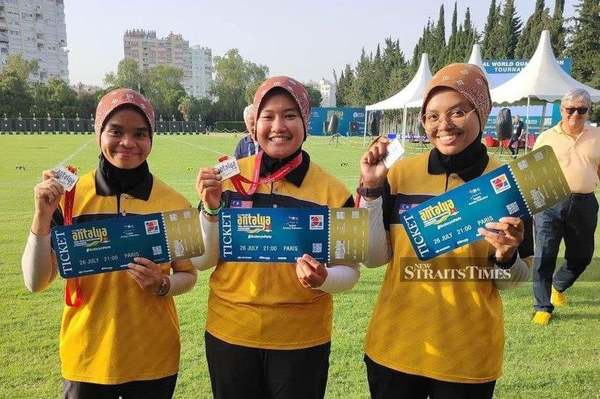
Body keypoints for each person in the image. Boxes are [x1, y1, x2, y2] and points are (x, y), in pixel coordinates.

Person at [358, 64, 531, 398]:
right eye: (432, 116)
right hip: (395, 349)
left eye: (457, 112)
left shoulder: (508, 183)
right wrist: (371, 189)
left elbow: (518, 278)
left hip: (467, 357)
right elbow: (375, 258)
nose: (444, 125)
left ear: (481, 113)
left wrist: (506, 255)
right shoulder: (400, 173)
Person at [21, 88, 198, 398]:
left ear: (151, 139)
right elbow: (35, 281)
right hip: (87, 358)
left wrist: (162, 284)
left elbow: (189, 276)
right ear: (98, 132)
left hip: (153, 360)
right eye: (116, 131)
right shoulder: (71, 196)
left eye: (140, 133)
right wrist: (41, 218)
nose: (127, 142)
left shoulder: (174, 202)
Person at [195, 76, 358, 399]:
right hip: (231, 334)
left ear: (305, 122)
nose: (278, 126)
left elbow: (351, 272)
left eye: (290, 115)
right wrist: (211, 210)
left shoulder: (335, 191)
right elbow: (201, 261)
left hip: (301, 340)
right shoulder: (225, 179)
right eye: (268, 116)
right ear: (254, 124)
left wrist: (324, 277)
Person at [531, 88, 600, 326]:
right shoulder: (546, 138)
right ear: (562, 110)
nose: (575, 114)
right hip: (550, 202)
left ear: (588, 110)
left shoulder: (597, 136)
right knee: (544, 255)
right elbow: (532, 173)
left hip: (585, 203)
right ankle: (542, 307)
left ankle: (558, 286)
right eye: (570, 109)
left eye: (581, 110)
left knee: (581, 256)